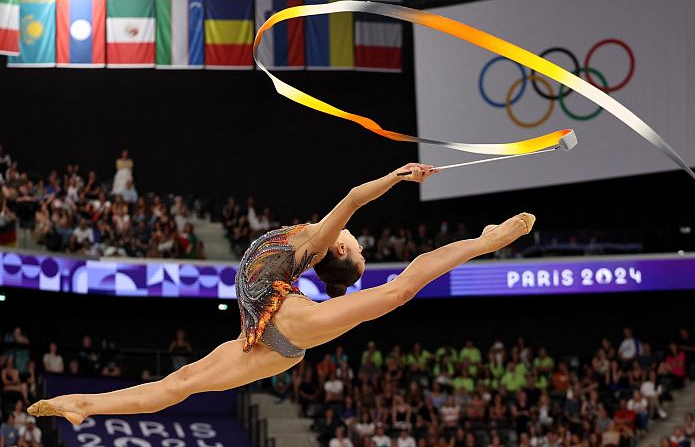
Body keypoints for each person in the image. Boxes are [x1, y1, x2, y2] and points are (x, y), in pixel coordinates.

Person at [29, 163, 535, 426]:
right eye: (359, 247)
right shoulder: (307, 239)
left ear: (338, 247)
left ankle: (485, 241)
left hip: (282, 326)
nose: (357, 240)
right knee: (178, 382)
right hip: (264, 338)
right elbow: (350, 205)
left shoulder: (315, 243)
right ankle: (84, 405)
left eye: (355, 247)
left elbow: (357, 198)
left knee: (400, 290)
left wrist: (398, 178)